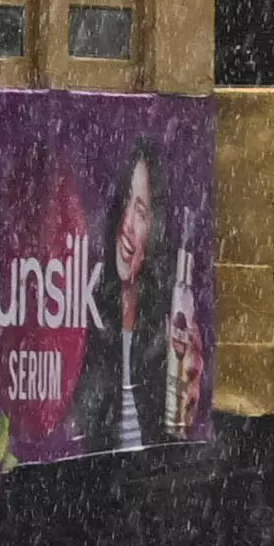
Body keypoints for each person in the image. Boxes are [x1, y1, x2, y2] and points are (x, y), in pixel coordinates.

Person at [68, 147, 188, 452]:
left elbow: (175, 436)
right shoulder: (89, 311)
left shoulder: (168, 322)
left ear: (155, 230)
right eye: (124, 202)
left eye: (141, 211)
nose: (127, 224)